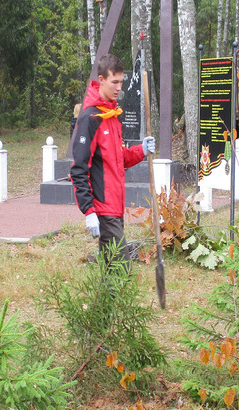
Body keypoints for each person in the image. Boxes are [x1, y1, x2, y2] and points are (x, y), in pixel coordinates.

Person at [70, 53, 155, 263]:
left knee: (112, 270)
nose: (119, 88)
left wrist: (141, 150)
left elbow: (119, 158)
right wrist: (88, 210)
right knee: (120, 270)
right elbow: (78, 168)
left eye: (121, 82)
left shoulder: (113, 116)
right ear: (101, 80)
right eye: (114, 82)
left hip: (116, 205)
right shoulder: (91, 117)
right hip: (103, 207)